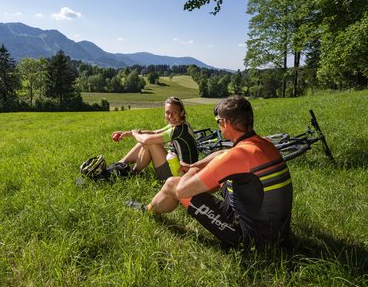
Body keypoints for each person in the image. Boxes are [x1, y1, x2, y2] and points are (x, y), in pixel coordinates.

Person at [131, 95, 293, 247]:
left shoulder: (237, 156)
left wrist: (191, 173)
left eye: (218, 121)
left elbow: (182, 190)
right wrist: (195, 166)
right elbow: (223, 153)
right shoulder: (263, 144)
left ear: (225, 123)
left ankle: (149, 210)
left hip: (253, 239)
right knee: (222, 177)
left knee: (173, 185)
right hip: (278, 232)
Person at [111, 97, 199, 180]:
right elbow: (155, 132)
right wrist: (127, 133)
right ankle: (117, 166)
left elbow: (146, 140)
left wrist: (135, 134)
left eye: (175, 112)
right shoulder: (180, 125)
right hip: (178, 168)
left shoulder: (178, 130)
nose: (170, 116)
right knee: (148, 140)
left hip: (181, 175)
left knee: (151, 143)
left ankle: (130, 174)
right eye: (167, 112)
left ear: (182, 112)